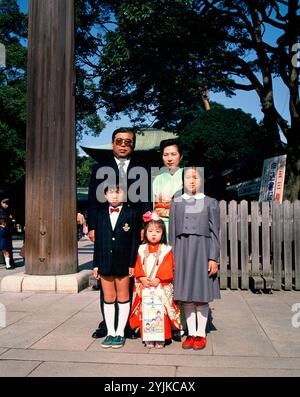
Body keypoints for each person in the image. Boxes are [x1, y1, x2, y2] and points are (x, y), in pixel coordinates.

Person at [88, 127, 152, 339]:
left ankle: (125, 325)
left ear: (133, 144)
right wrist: (93, 227)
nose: (123, 144)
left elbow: (145, 200)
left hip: (132, 228)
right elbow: (93, 201)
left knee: (129, 272)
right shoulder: (100, 169)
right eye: (119, 141)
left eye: (128, 141)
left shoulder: (141, 169)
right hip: (106, 226)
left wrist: (145, 227)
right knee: (106, 272)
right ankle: (107, 324)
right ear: (113, 143)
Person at [169, 166, 220, 350]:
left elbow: (215, 232)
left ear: (202, 180)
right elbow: (172, 233)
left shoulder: (210, 202)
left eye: (196, 177)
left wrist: (213, 258)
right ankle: (191, 333)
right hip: (182, 251)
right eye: (188, 177)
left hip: (202, 251)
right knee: (186, 297)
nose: (192, 181)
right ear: (182, 180)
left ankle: (200, 334)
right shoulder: (176, 202)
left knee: (200, 294)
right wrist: (172, 258)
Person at [92, 183, 142, 348]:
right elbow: (98, 242)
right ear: (105, 195)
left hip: (124, 263)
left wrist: (132, 263)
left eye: (118, 192)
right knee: (109, 297)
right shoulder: (99, 215)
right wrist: (96, 264)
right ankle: (110, 332)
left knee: (123, 296)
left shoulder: (132, 214)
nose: (114, 196)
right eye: (111, 192)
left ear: (125, 195)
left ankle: (120, 331)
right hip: (105, 261)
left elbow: (135, 241)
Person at [130, 211, 182, 349]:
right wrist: (141, 277)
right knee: (147, 311)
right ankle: (148, 337)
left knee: (160, 311)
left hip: (160, 286)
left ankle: (161, 337)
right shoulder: (141, 249)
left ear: (162, 233)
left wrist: (159, 278)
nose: (154, 234)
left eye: (157, 231)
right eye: (150, 231)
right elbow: (138, 265)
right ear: (145, 233)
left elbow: (168, 266)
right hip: (146, 285)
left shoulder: (166, 250)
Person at [152, 139, 183, 241]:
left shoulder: (189, 175)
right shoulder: (158, 179)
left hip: (182, 225)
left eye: (173, 154)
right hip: (161, 226)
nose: (169, 159)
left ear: (181, 156)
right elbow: (154, 206)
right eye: (165, 155)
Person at [0, 198, 16, 267]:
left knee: (6, 248)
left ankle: (8, 263)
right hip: (4, 231)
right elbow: (4, 222)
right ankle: (8, 264)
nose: (7, 205)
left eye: (8, 204)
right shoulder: (1, 211)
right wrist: (11, 220)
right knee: (5, 248)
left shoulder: (6, 210)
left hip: (6, 231)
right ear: (2, 203)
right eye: (6, 203)